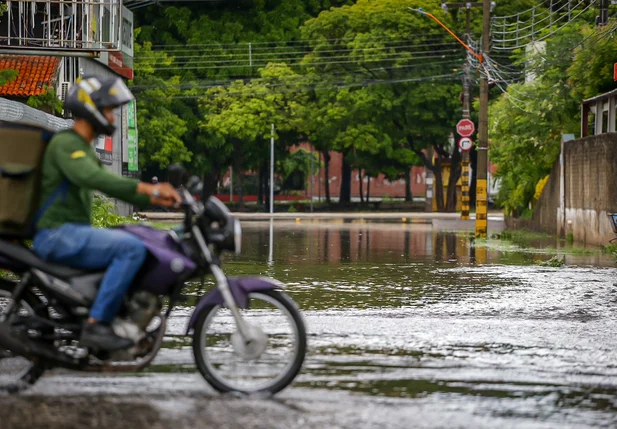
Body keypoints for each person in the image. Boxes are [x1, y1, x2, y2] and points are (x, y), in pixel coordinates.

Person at [32, 76, 182, 352]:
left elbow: (114, 187)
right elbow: (96, 178)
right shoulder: (67, 145)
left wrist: (156, 197)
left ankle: (115, 315)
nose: (112, 116)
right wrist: (152, 189)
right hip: (57, 234)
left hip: (72, 233)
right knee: (131, 250)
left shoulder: (81, 146)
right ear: (91, 109)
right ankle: (97, 324)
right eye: (108, 109)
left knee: (136, 237)